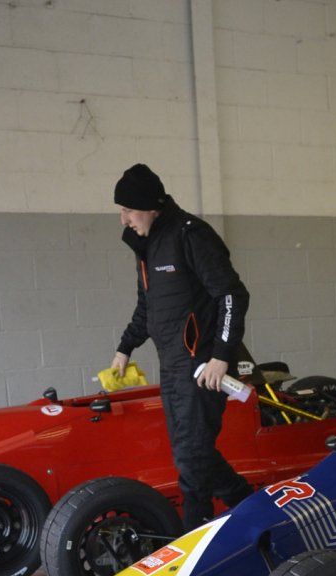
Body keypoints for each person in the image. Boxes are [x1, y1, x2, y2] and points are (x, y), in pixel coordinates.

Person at [109, 163, 255, 529]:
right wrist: (125, 348)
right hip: (173, 367)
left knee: (191, 460)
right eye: (121, 211)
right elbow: (148, 308)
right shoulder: (147, 247)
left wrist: (221, 356)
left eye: (128, 210)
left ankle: (192, 539)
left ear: (151, 206)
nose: (124, 220)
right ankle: (251, 505)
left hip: (204, 367)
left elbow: (232, 295)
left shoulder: (191, 235)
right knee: (192, 455)